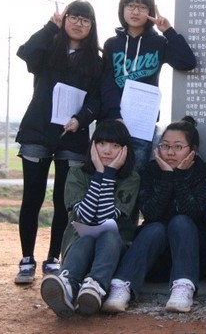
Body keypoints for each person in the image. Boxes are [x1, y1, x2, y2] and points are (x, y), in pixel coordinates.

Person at [14, 0, 103, 284]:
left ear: (92, 26)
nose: (78, 23)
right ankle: (26, 259)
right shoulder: (48, 47)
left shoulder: (96, 61)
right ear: (63, 20)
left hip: (72, 136)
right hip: (38, 131)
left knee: (65, 201)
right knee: (32, 197)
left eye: (85, 20)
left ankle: (53, 258)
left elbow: (97, 100)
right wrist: (49, 27)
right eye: (73, 17)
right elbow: (26, 53)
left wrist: (81, 119)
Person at [101, 116, 206, 314]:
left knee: (180, 221)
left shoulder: (203, 171)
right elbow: (151, 213)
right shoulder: (151, 170)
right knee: (155, 227)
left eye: (178, 147)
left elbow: (193, 213)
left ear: (193, 150)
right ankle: (122, 287)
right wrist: (167, 176)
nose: (170, 152)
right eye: (165, 145)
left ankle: (183, 287)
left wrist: (179, 176)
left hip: (191, 255)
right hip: (156, 258)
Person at [39, 120, 140, 318]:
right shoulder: (77, 173)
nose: (107, 151)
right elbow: (85, 217)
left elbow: (105, 219)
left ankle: (95, 286)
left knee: (108, 234)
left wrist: (108, 174)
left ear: (125, 150)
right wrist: (99, 174)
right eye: (101, 143)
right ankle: (68, 285)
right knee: (86, 237)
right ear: (93, 145)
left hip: (114, 250)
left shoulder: (131, 178)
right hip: (78, 245)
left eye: (115, 145)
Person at [99, 0, 197, 172]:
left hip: (142, 124)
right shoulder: (112, 44)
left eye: (142, 7)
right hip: (113, 122)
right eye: (130, 6)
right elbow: (107, 83)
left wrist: (168, 31)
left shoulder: (159, 43)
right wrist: (115, 115)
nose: (135, 11)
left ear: (150, 11)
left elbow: (187, 62)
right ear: (122, 8)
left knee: (136, 176)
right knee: (107, 175)